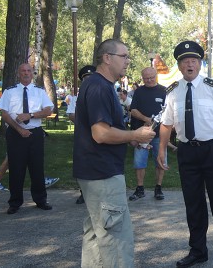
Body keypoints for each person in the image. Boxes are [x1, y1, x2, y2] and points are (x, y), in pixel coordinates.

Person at [73, 39, 156, 266]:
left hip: (94, 172)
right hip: (102, 174)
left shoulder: (99, 85)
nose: (128, 61)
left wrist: (130, 140)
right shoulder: (99, 86)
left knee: (95, 237)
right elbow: (100, 133)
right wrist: (134, 136)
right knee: (115, 239)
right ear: (107, 58)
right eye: (124, 56)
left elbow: (106, 130)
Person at [157, 40, 213, 267]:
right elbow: (166, 124)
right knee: (193, 203)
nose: (189, 64)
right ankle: (198, 250)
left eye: (193, 60)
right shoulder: (173, 91)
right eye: (185, 61)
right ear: (179, 65)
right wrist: (162, 149)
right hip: (187, 153)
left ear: (200, 63)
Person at [0, 63, 54, 214]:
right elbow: (5, 114)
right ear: (18, 73)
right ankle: (15, 202)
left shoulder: (39, 91)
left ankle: (40, 200)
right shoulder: (9, 92)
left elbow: (48, 110)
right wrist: (20, 129)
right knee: (16, 169)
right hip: (15, 134)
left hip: (35, 134)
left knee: (37, 168)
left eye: (29, 71)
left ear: (32, 73)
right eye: (23, 70)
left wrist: (31, 115)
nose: (26, 73)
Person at [128, 67, 167, 201]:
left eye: (151, 77)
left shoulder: (164, 91)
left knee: (160, 162)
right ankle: (140, 189)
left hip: (160, 135)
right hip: (141, 134)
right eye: (146, 78)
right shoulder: (139, 91)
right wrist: (146, 120)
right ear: (142, 78)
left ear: (156, 76)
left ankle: (158, 188)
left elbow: (169, 112)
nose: (149, 80)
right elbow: (133, 110)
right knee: (139, 162)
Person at [67, 64, 96, 205]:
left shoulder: (100, 93)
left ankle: (96, 192)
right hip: (83, 135)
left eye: (91, 77)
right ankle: (83, 193)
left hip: (100, 135)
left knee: (98, 162)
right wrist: (85, 121)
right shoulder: (76, 98)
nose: (88, 80)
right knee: (82, 164)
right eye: (86, 78)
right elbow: (71, 114)